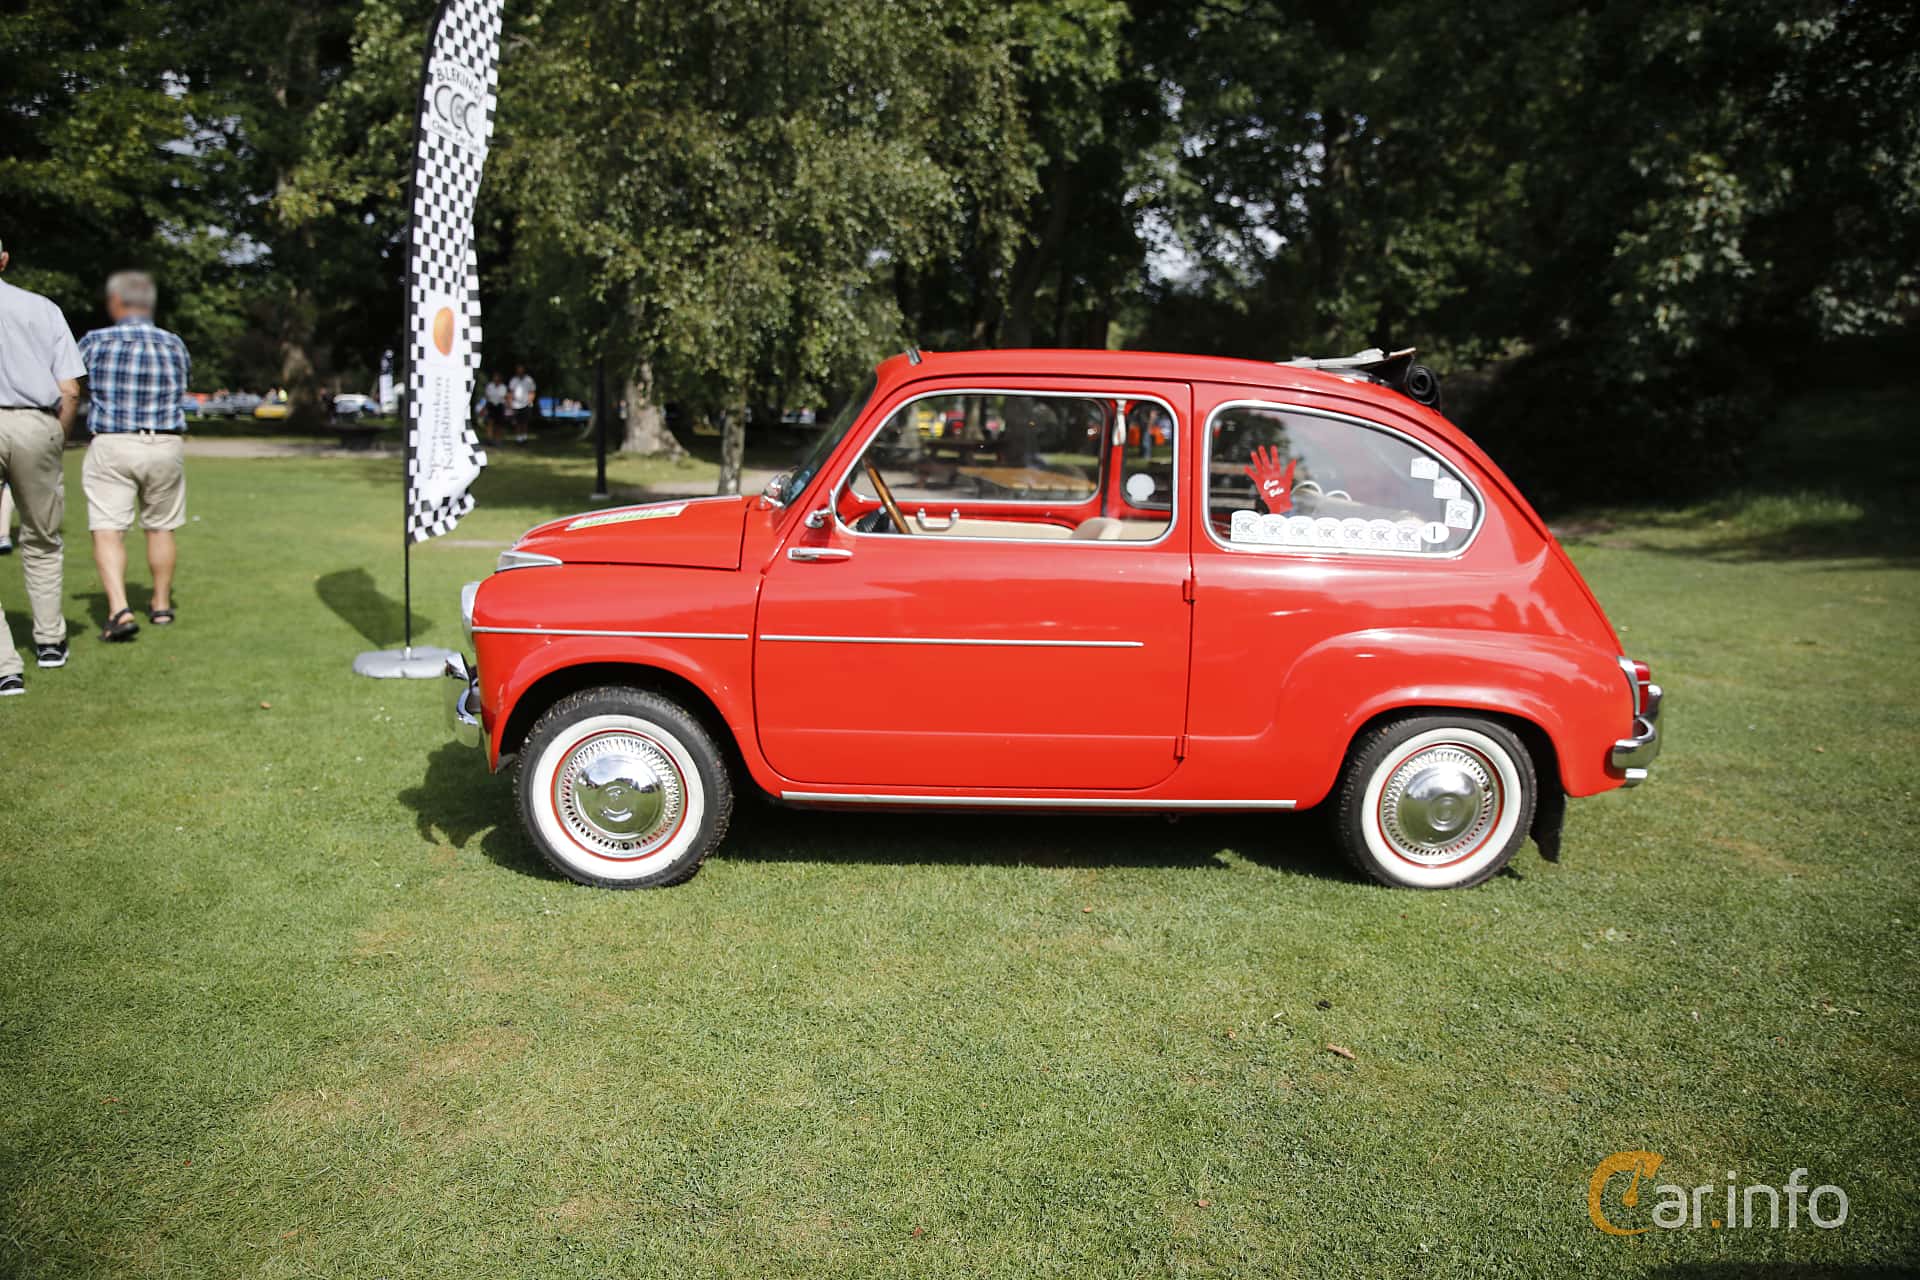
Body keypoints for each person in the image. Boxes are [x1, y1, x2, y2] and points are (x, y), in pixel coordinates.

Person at [77, 270, 190, 643]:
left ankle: (120, 609)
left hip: (113, 441)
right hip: (163, 442)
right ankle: (160, 604)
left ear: (116, 302)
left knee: (109, 528)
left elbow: (72, 385)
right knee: (160, 525)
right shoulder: (173, 344)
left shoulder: (95, 342)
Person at [0, 234, 85, 695]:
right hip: (35, 423)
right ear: (4, 260)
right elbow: (69, 388)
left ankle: (3, 666)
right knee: (42, 537)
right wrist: (58, 436)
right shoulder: (42, 308)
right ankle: (49, 640)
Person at [508, 364, 536, 443]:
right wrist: (510, 403)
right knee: (517, 422)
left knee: (524, 422)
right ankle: (518, 438)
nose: (520, 371)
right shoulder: (513, 380)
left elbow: (532, 392)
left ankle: (524, 437)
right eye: (518, 370)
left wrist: (530, 401)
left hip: (526, 404)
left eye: (521, 370)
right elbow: (510, 392)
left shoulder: (529, 380)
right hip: (515, 404)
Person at [482, 370, 507, 444]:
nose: (495, 378)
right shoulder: (490, 386)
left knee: (498, 424)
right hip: (491, 405)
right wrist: (485, 407)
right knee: (490, 422)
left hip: (499, 406)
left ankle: (497, 439)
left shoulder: (503, 387)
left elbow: (504, 397)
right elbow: (487, 396)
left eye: (497, 377)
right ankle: (489, 439)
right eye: (494, 377)